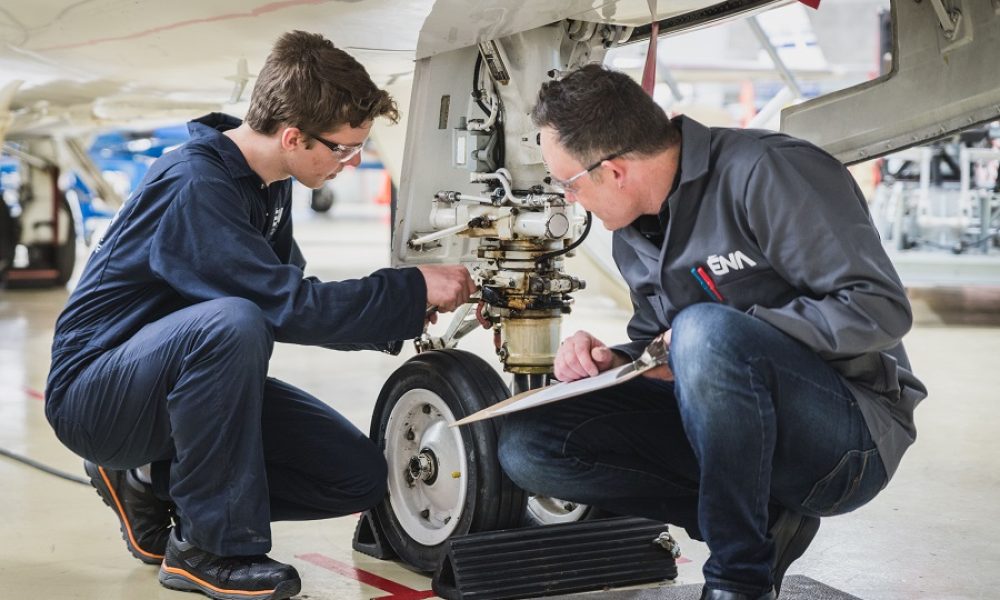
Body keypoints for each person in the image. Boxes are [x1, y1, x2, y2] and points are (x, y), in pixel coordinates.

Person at [44, 31, 476, 600]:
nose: (350, 163)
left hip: (174, 384)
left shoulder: (267, 184)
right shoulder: (196, 183)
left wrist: (407, 309)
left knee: (357, 476)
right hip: (96, 394)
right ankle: (206, 549)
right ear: (294, 136)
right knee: (234, 321)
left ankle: (148, 478)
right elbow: (282, 306)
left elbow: (292, 300)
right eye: (343, 148)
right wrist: (406, 290)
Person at [497, 64, 927, 600]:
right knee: (529, 445)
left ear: (613, 171)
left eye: (569, 183)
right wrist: (613, 360)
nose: (569, 200)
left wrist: (721, 338)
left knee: (703, 330)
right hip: (733, 434)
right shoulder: (632, 234)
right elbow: (664, 344)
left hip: (848, 438)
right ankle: (762, 516)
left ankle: (737, 581)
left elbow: (879, 308)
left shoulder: (770, 172)